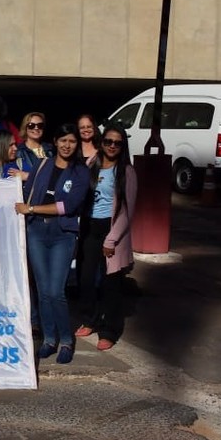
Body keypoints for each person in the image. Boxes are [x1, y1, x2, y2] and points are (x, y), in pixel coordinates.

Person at [14, 123, 90, 365]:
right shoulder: (42, 164)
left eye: (72, 141)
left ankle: (66, 340)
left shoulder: (81, 172)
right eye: (63, 140)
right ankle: (49, 339)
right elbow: (26, 191)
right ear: (55, 142)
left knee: (56, 291)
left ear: (77, 145)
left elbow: (69, 206)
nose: (67, 145)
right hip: (36, 230)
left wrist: (32, 209)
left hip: (62, 234)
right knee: (43, 291)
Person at [75, 123, 137, 351]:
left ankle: (109, 330)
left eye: (117, 143)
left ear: (123, 146)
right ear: (101, 143)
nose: (112, 146)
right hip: (89, 228)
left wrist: (112, 239)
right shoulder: (92, 164)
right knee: (86, 278)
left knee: (111, 284)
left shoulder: (127, 172)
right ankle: (89, 319)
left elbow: (128, 211)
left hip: (111, 232)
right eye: (108, 141)